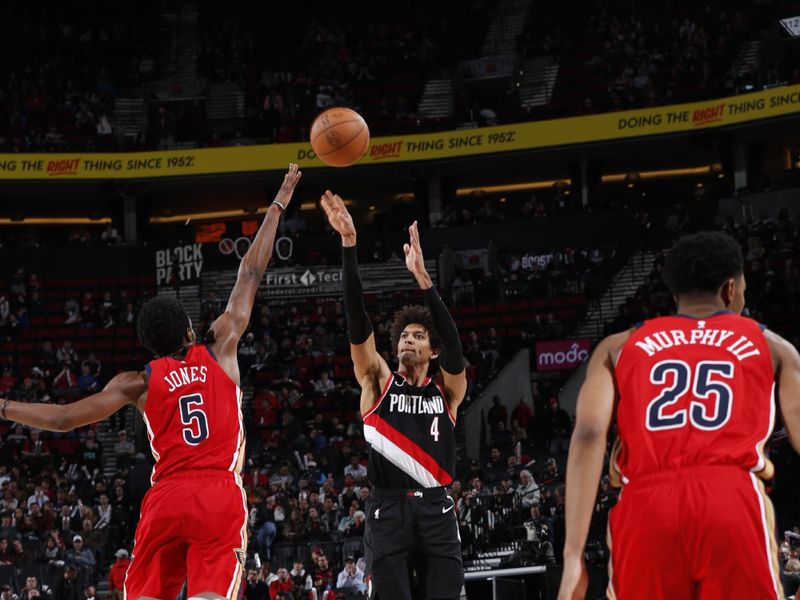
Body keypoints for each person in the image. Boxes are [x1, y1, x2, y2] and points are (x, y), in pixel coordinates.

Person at [0, 164, 302, 600]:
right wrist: (278, 203)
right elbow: (250, 273)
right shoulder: (219, 348)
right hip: (217, 492)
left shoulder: (137, 382)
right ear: (188, 331)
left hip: (166, 497)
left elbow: (65, 419)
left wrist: (5, 406)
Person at [558, 232, 800, 599]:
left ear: (674, 293)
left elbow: (590, 434)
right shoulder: (773, 345)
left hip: (646, 506)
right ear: (731, 288)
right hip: (731, 500)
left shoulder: (619, 346)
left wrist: (573, 556)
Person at [321, 190, 466, 600]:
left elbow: (455, 347)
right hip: (387, 510)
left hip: (437, 509)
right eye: (404, 334)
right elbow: (356, 321)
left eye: (419, 336)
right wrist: (349, 245)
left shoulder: (447, 391)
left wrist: (425, 282)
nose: (408, 340)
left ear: (431, 351)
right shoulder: (378, 381)